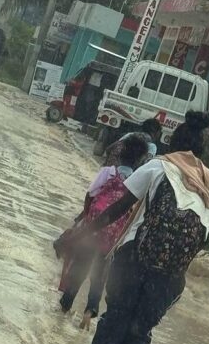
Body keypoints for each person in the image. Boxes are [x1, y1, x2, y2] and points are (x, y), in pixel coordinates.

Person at [71, 111, 209, 344]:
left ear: (172, 143)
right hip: (169, 278)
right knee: (140, 334)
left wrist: (84, 231)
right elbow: (206, 237)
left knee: (111, 326)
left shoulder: (157, 167)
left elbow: (119, 207)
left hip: (133, 263)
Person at [55, 134, 150, 329]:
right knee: (99, 275)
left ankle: (65, 307)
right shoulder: (137, 180)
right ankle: (89, 312)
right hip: (113, 237)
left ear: (120, 153)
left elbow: (90, 194)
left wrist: (87, 217)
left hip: (93, 231)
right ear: (141, 159)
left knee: (79, 268)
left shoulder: (107, 172)